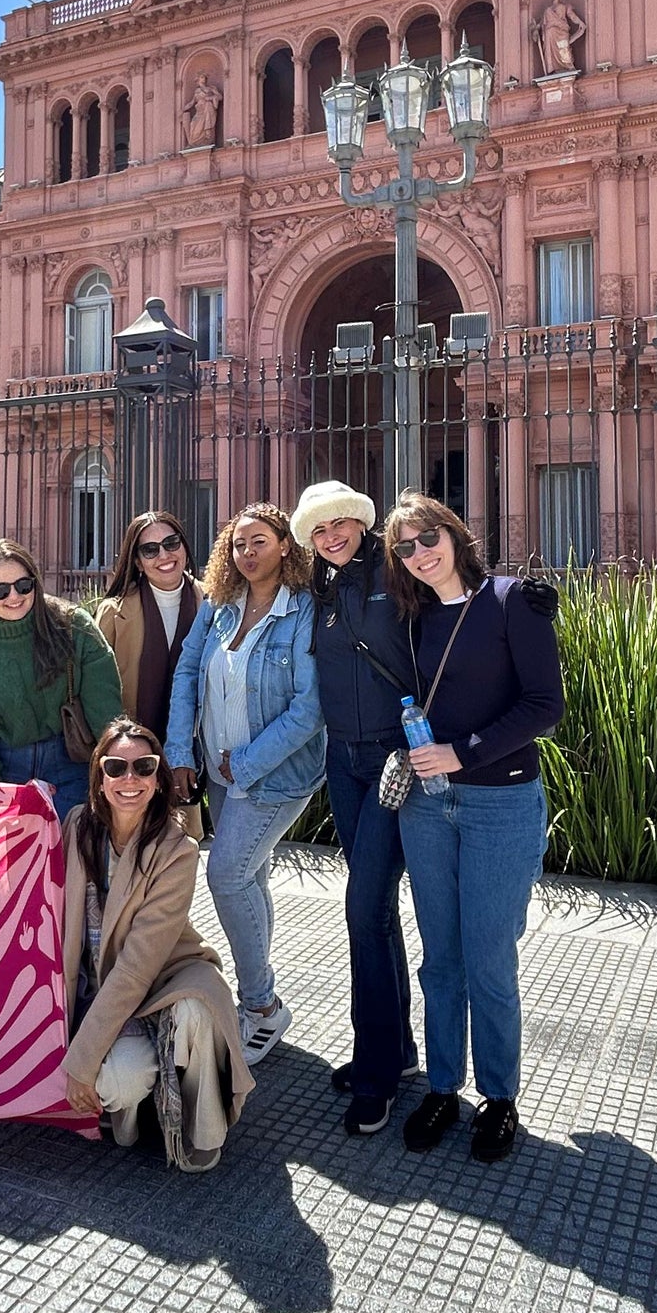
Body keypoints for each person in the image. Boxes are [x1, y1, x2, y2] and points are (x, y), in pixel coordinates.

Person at [381, 492, 564, 1165]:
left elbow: (546, 705)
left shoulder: (514, 601)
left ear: (455, 533)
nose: (420, 553)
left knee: (489, 959)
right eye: (404, 547)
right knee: (441, 958)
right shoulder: (412, 616)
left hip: (500, 803)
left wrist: (465, 751)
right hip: (429, 807)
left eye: (427, 537)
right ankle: (440, 1086)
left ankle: (499, 1097)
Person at [165, 502, 324, 1067]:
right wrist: (181, 752)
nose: (247, 553)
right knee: (249, 876)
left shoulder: (302, 610)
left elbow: (309, 710)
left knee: (227, 874)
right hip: (218, 770)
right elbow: (187, 673)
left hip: (276, 775)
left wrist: (247, 764)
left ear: (285, 545)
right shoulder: (219, 607)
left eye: (259, 541)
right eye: (237, 544)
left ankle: (261, 1006)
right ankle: (262, 999)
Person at [61, 718, 254, 1171]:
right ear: (99, 776)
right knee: (121, 1080)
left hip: (163, 977)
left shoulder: (177, 850)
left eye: (144, 766)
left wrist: (81, 1060)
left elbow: (135, 969)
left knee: (196, 1010)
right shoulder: (76, 827)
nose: (130, 779)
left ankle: (199, 1127)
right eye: (116, 767)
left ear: (158, 777)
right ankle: (132, 1116)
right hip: (99, 987)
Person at [292, 479, 420, 1137]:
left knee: (364, 910)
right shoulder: (318, 587)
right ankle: (395, 1052)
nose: (331, 535)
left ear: (360, 522)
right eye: (318, 529)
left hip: (394, 761)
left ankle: (375, 1077)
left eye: (340, 522)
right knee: (373, 910)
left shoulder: (394, 571)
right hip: (342, 761)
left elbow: (452, 611)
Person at [0, 539, 122, 819]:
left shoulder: (72, 624)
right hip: (6, 771)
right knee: (17, 861)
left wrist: (119, 768)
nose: (14, 596)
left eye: (23, 585)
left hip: (71, 762)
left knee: (74, 857)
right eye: (0, 590)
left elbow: (105, 705)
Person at [94, 510, 204, 824]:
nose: (164, 555)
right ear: (138, 561)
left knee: (183, 841)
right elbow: (98, 688)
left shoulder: (210, 602)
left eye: (171, 543)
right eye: (150, 549)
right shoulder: (114, 612)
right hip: (130, 755)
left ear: (184, 546)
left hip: (190, 748)